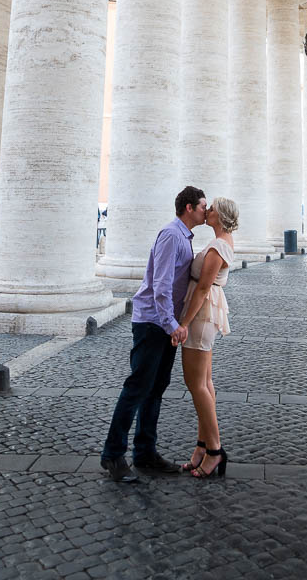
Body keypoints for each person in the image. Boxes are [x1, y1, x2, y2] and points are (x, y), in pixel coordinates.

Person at [100, 186, 207, 483]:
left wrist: (172, 324)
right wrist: (172, 325)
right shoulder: (172, 235)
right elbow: (160, 286)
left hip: (164, 323)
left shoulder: (184, 236)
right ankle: (112, 454)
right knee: (137, 387)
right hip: (152, 322)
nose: (205, 211)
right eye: (202, 206)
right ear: (188, 207)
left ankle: (145, 451)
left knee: (155, 388)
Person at [174, 196, 238, 479]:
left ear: (220, 216)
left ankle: (214, 450)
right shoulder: (221, 242)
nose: (207, 211)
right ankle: (202, 446)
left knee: (195, 383)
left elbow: (201, 289)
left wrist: (183, 323)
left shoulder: (219, 246)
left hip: (200, 316)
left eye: (211, 208)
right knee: (205, 383)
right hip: (205, 312)